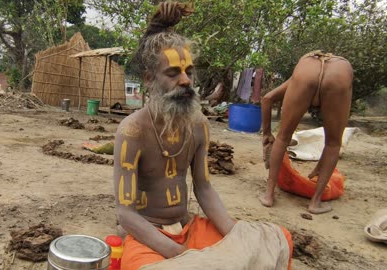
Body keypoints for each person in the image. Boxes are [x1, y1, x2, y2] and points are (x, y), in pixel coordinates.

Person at [113, 2, 292, 269]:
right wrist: (177, 253)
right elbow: (126, 214)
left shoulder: (198, 125)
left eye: (189, 71)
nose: (185, 80)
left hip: (190, 226)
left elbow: (204, 188)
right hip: (148, 235)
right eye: (173, 73)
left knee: (277, 240)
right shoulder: (132, 131)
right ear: (149, 79)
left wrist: (236, 235)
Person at [259, 50, 353, 214]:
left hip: (306, 74)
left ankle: (268, 196)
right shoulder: (340, 68)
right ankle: (315, 203)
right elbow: (332, 144)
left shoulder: (303, 70)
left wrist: (266, 133)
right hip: (340, 77)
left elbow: (267, 98)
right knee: (334, 143)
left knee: (282, 138)